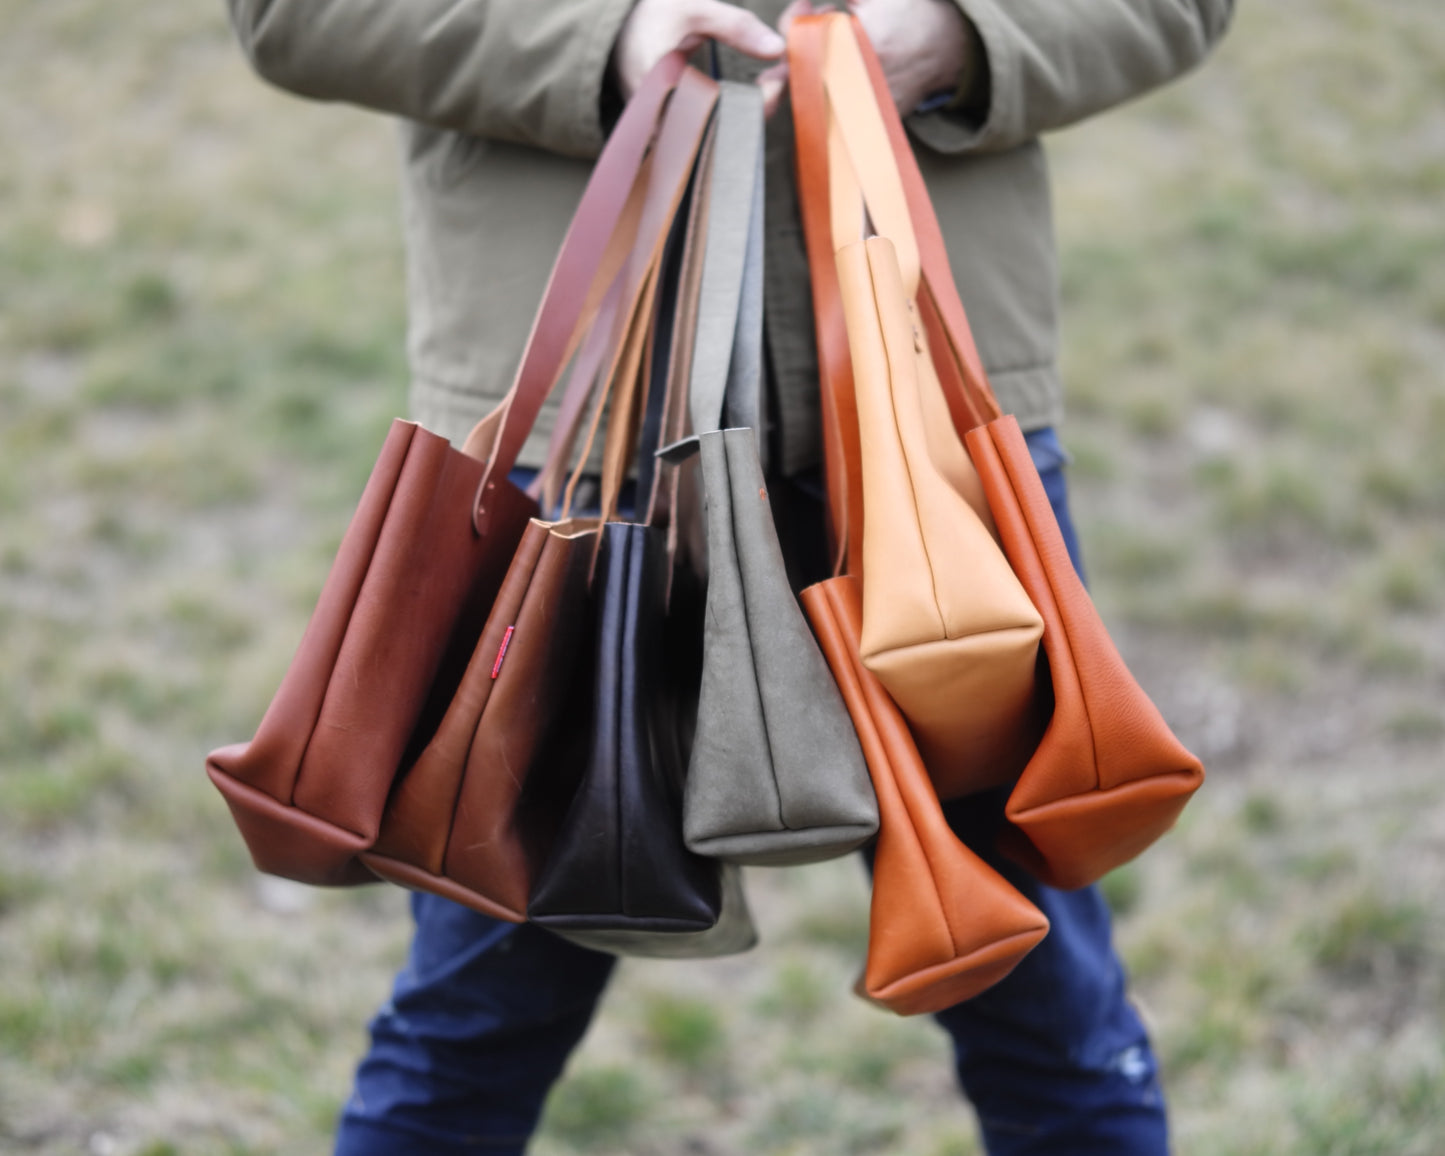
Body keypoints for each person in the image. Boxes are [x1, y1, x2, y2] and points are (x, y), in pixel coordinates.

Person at [222, 1, 1233, 1151]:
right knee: (476, 1012)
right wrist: (595, 41)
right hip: (585, 455)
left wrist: (965, 33)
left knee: (1045, 1000)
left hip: (932, 438)